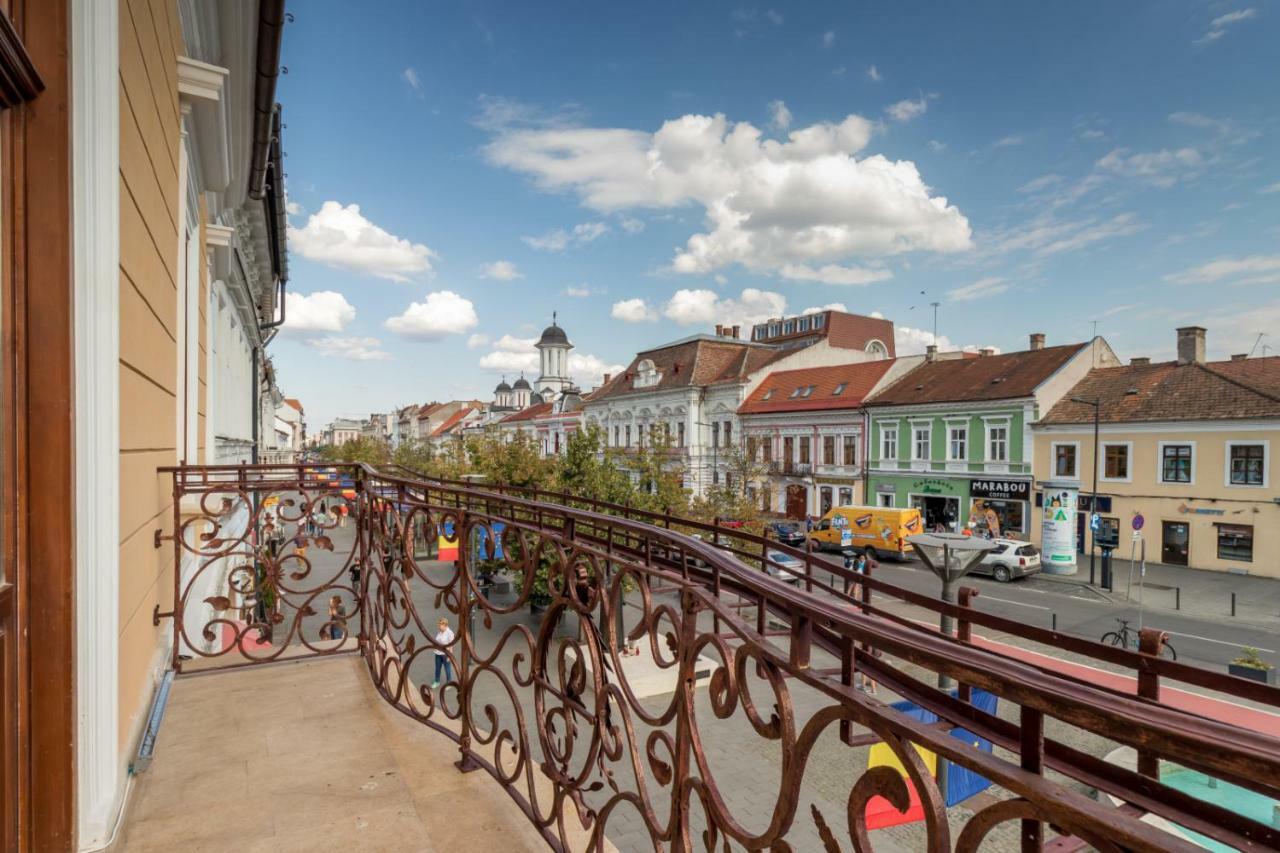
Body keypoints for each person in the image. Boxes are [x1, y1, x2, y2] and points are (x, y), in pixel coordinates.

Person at [432, 618, 455, 689]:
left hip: (445, 654)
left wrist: (450, 656)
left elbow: (451, 645)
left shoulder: (450, 633)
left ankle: (449, 683)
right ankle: (437, 681)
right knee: (437, 668)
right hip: (438, 653)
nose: (439, 627)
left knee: (447, 669)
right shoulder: (440, 632)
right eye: (438, 625)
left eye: (440, 625)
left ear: (445, 625)